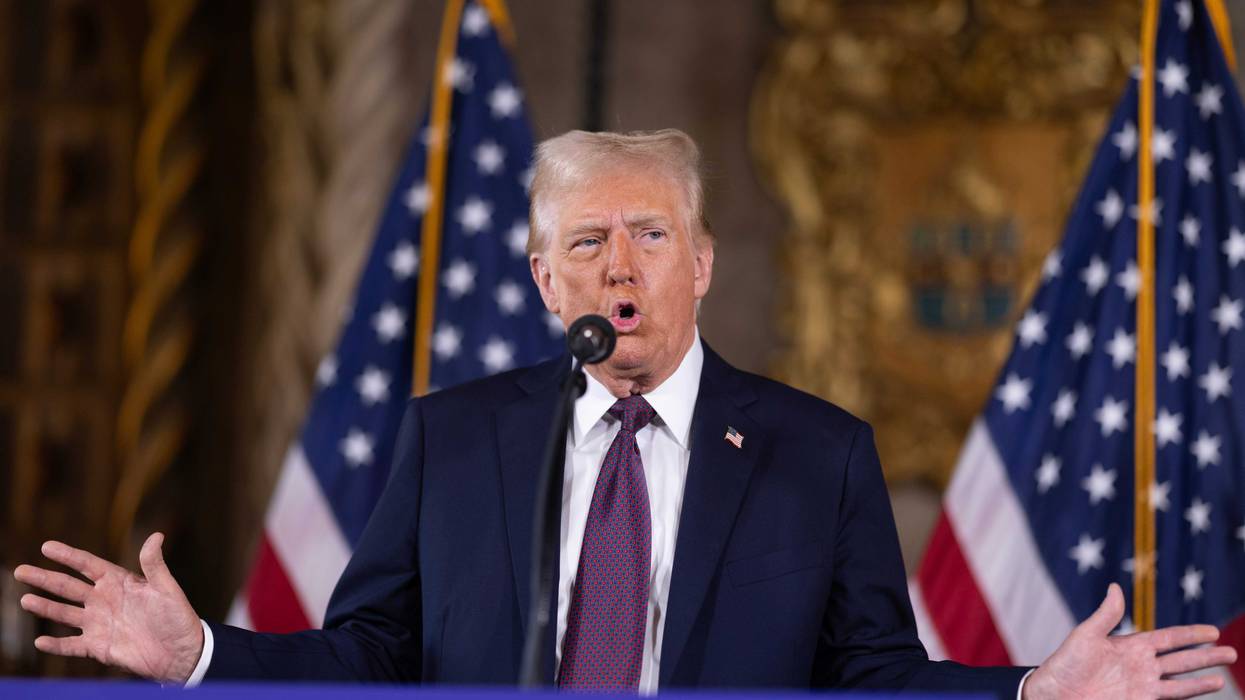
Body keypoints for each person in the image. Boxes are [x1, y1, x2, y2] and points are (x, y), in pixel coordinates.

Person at [14, 130, 1237, 698]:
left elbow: (870, 675)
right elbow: (373, 655)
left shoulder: (818, 451)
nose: (621, 267)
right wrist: (201, 656)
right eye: (588, 242)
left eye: (650, 235)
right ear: (548, 284)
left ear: (702, 260)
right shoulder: (458, 439)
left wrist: (1032, 694)